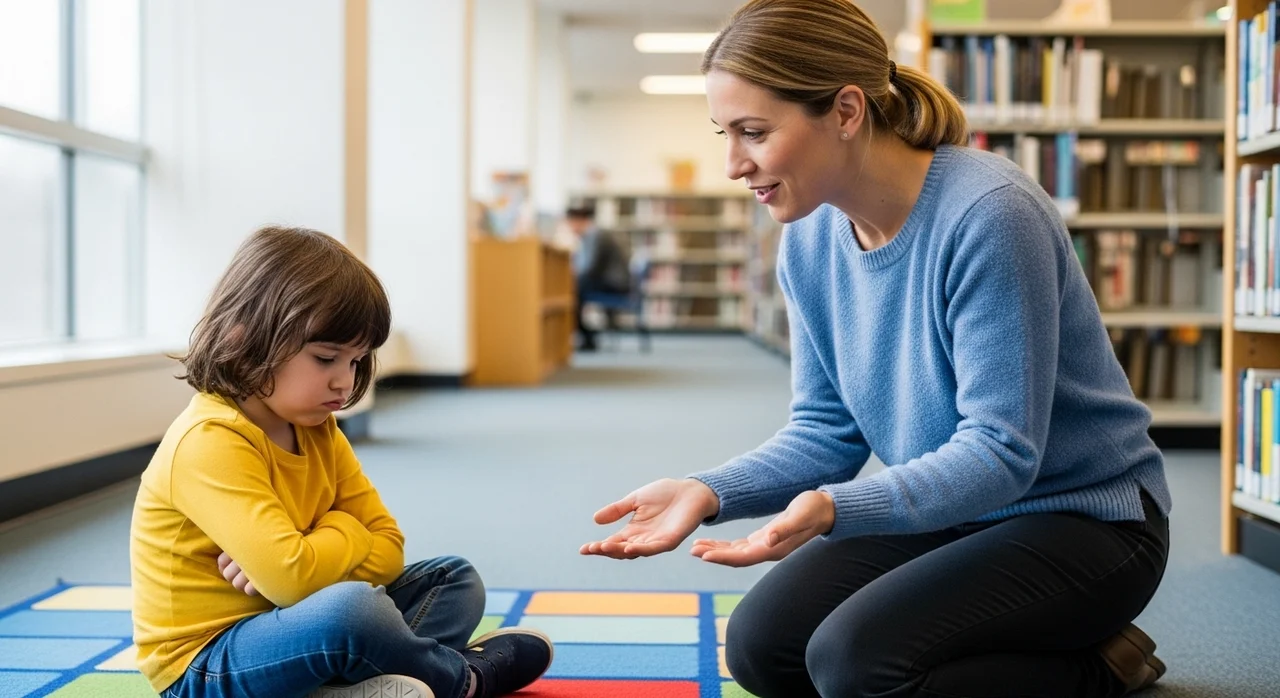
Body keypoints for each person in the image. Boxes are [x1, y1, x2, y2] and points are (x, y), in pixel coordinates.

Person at [581, 1, 1171, 697]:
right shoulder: (807, 240)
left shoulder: (990, 214)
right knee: (762, 648)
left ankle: (1103, 666)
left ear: (846, 111)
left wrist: (835, 507)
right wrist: (709, 491)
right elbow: (825, 432)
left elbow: (1002, 453)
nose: (734, 164)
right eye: (725, 134)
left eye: (754, 133)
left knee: (854, 664)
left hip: (1085, 520)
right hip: (951, 508)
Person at [130, 227, 553, 698]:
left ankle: (354, 685)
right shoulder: (209, 440)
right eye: (326, 358)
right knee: (353, 611)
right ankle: (465, 680)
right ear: (245, 338)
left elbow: (389, 550)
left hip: (294, 629)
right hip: (204, 665)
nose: (344, 382)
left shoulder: (318, 429)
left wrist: (306, 551)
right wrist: (345, 530)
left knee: (453, 579)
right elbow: (294, 581)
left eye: (355, 361)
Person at [567, 202, 632, 351]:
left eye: (571, 223)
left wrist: (573, 278)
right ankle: (586, 334)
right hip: (607, 281)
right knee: (573, 290)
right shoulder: (592, 235)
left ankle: (588, 336)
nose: (570, 228)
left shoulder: (596, 235)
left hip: (615, 284)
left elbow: (591, 268)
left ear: (579, 220)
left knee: (572, 293)